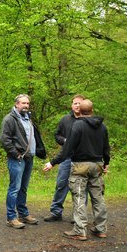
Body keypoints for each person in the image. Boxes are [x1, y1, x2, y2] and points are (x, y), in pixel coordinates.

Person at [43, 100, 110, 240]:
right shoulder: (102, 126)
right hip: (97, 165)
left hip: (80, 165)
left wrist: (53, 162)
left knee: (79, 197)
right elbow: (106, 147)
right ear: (92, 110)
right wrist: (106, 163)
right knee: (98, 197)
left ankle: (80, 230)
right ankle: (101, 229)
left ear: (81, 110)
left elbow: (67, 149)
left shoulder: (77, 125)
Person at [0, 94, 46, 229]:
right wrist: (15, 153)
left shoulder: (28, 119)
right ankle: (11, 217)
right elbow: (4, 139)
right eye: (23, 103)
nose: (26, 106)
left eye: (27, 103)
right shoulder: (9, 119)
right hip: (17, 159)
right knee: (14, 188)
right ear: (16, 104)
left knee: (23, 188)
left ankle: (23, 214)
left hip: (29, 157)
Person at [44, 94, 85, 222]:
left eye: (80, 103)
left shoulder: (88, 120)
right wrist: (65, 141)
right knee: (61, 184)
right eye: (75, 103)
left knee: (81, 187)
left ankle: (78, 215)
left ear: (84, 105)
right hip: (66, 157)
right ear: (71, 105)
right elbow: (57, 135)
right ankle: (56, 212)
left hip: (82, 159)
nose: (77, 105)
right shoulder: (65, 119)